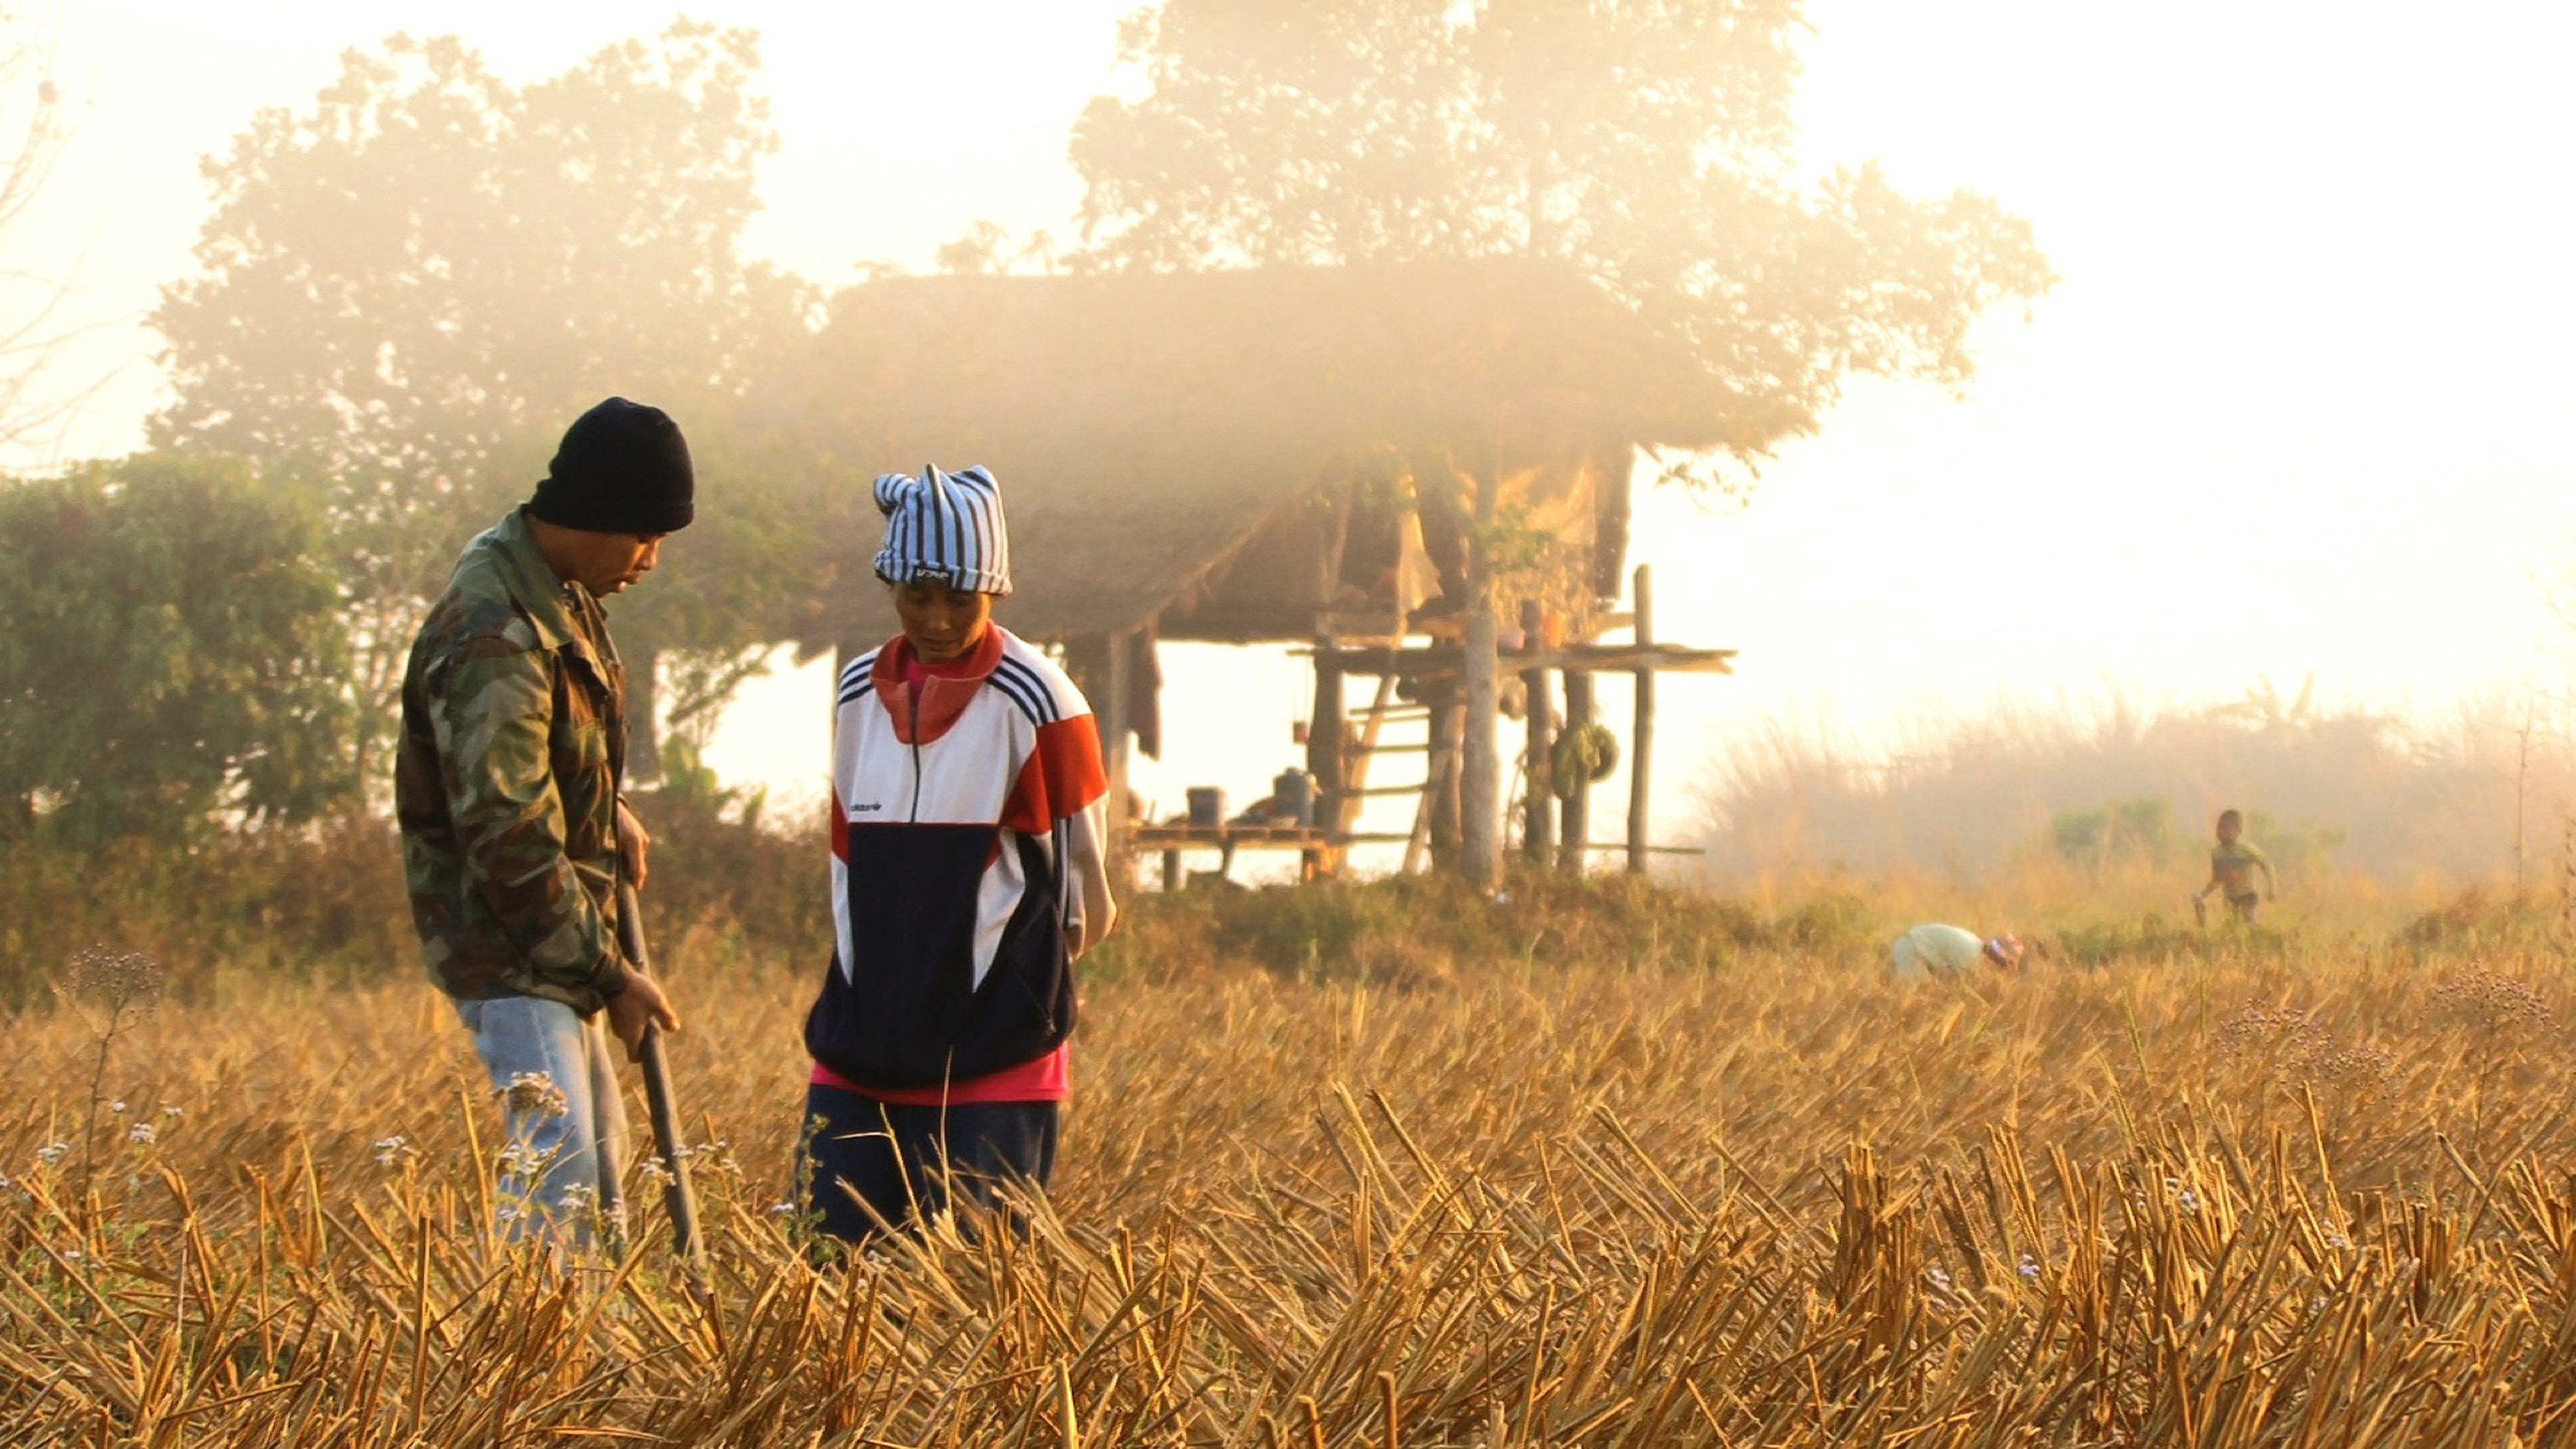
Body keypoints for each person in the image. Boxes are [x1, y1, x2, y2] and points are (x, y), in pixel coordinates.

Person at [395, 396, 689, 1247]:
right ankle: (524, 1363)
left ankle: (586, 1346)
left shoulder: (553, 588)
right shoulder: (498, 630)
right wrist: (610, 975)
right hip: (506, 940)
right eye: (647, 536)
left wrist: (613, 808)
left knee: (599, 1148)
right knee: (559, 1151)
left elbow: (549, 751)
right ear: (597, 515)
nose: (651, 561)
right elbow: (507, 834)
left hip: (544, 932)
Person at [801, 463, 1118, 1251]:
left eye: (959, 598)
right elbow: (844, 862)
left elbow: (1086, 897)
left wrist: (1008, 983)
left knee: (974, 1302)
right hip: (862, 1043)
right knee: (828, 1280)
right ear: (891, 590)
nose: (937, 618)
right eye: (917, 596)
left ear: (996, 592)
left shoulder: (1042, 701)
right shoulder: (853, 694)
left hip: (991, 1054)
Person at [2193, 807, 2276, 925]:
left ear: (2238, 831)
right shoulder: (2217, 853)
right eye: (2220, 828)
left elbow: (2267, 865)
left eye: (2227, 829)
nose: (2222, 833)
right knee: (2230, 929)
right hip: (2230, 898)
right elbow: (2217, 879)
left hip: (2247, 896)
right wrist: (2203, 894)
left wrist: (2272, 888)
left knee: (2246, 928)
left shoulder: (2245, 850)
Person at [1888, 923, 2024, 979]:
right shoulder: (1969, 954)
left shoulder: (1973, 943)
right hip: (1911, 949)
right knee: (1914, 993)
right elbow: (1951, 980)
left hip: (1910, 944)